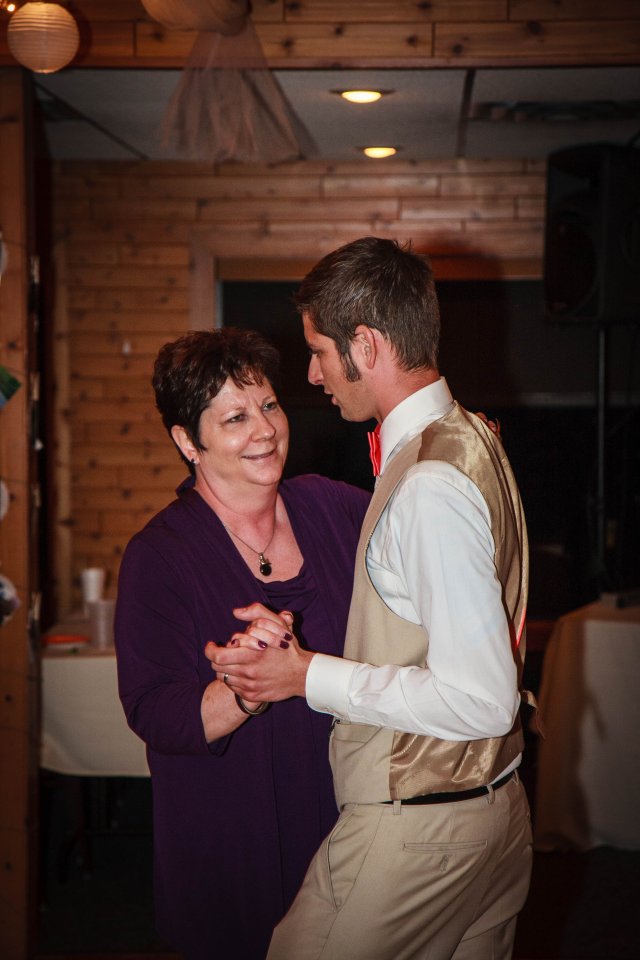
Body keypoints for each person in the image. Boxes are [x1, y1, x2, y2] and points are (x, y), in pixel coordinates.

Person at [209, 237, 533, 960]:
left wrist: (306, 677)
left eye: (320, 352)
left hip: (422, 830)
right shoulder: (471, 437)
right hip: (490, 811)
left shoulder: (430, 484)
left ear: (368, 344)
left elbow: (483, 699)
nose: (316, 376)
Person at [114, 327, 370, 960]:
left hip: (350, 827)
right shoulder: (160, 555)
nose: (264, 429)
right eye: (234, 417)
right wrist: (243, 690)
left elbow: (420, 533)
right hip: (234, 841)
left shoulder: (332, 507)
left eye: (269, 406)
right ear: (186, 441)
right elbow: (153, 712)